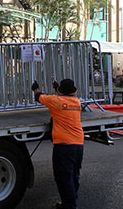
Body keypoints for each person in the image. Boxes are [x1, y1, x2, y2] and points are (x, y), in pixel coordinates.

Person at [32, 79, 84, 209]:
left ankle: (69, 206)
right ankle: (71, 202)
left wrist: (35, 88)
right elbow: (64, 100)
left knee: (63, 177)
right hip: (78, 144)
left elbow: (38, 97)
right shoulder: (77, 102)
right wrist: (57, 89)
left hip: (64, 145)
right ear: (74, 91)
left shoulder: (55, 101)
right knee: (73, 175)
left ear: (60, 91)